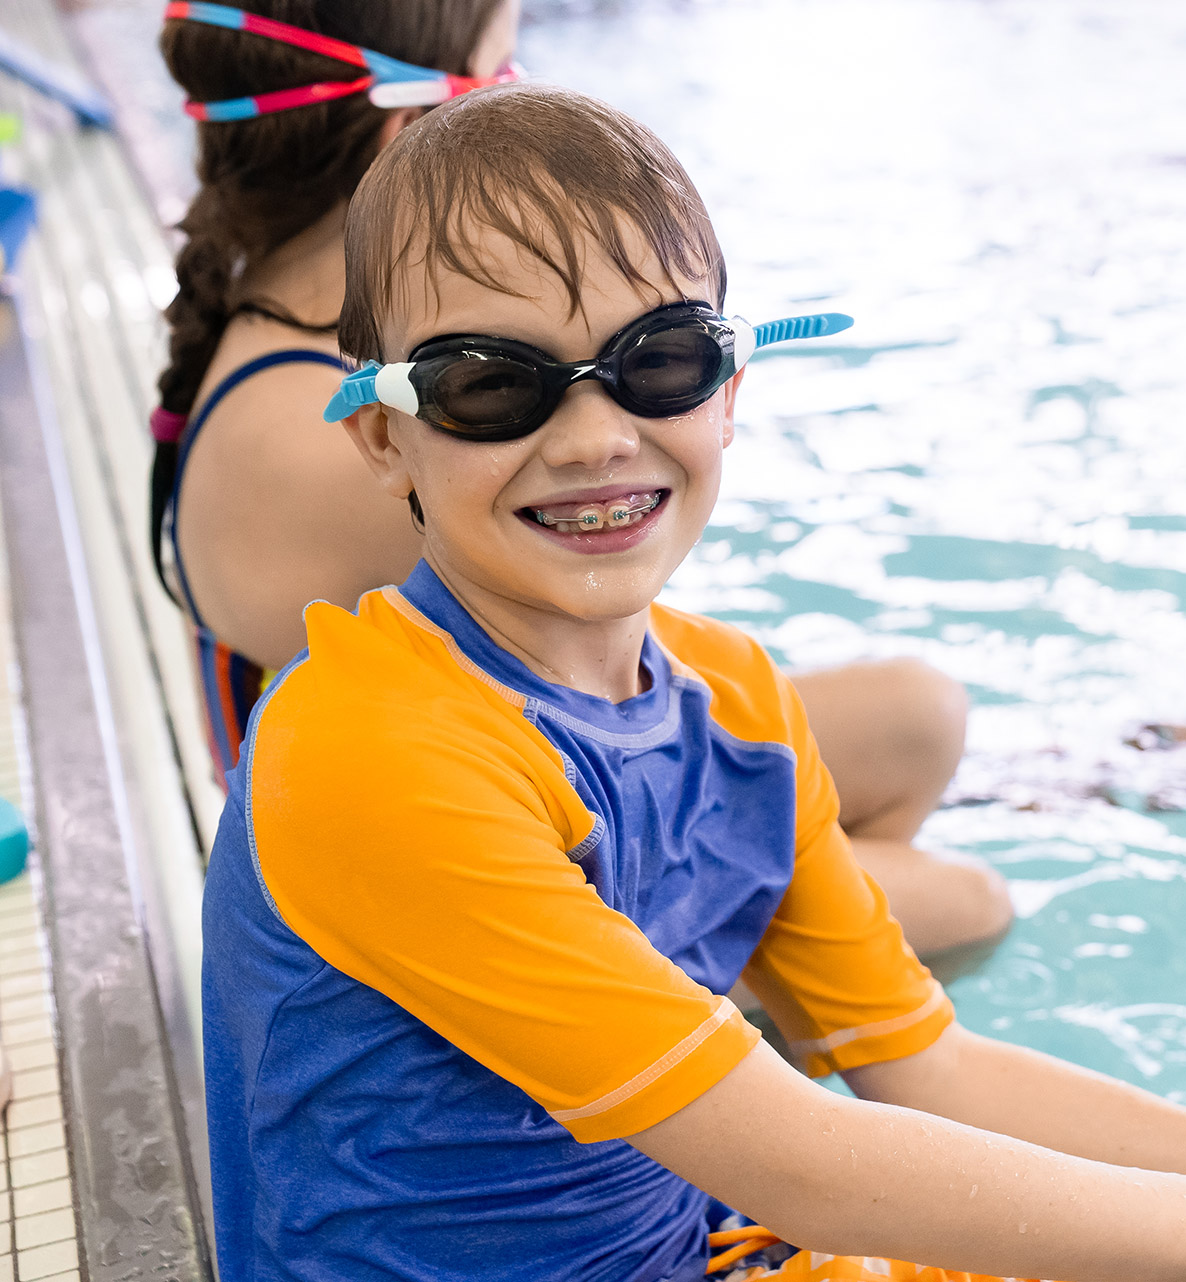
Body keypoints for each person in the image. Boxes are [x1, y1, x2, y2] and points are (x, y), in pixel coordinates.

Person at [201, 81, 1186, 1282]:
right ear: (385, 434)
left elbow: (927, 1067)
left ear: (728, 393)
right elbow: (801, 1162)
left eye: (661, 361)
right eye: (491, 385)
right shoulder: (371, 745)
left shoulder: (733, 699)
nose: (593, 438)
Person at [153, 0, 1010, 959]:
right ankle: (750, 984)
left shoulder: (297, 338)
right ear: (415, 129)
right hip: (464, 877)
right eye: (506, 76)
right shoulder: (367, 438)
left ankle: (797, 960)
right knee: (969, 900)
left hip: (521, 776)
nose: (595, 440)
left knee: (920, 718)